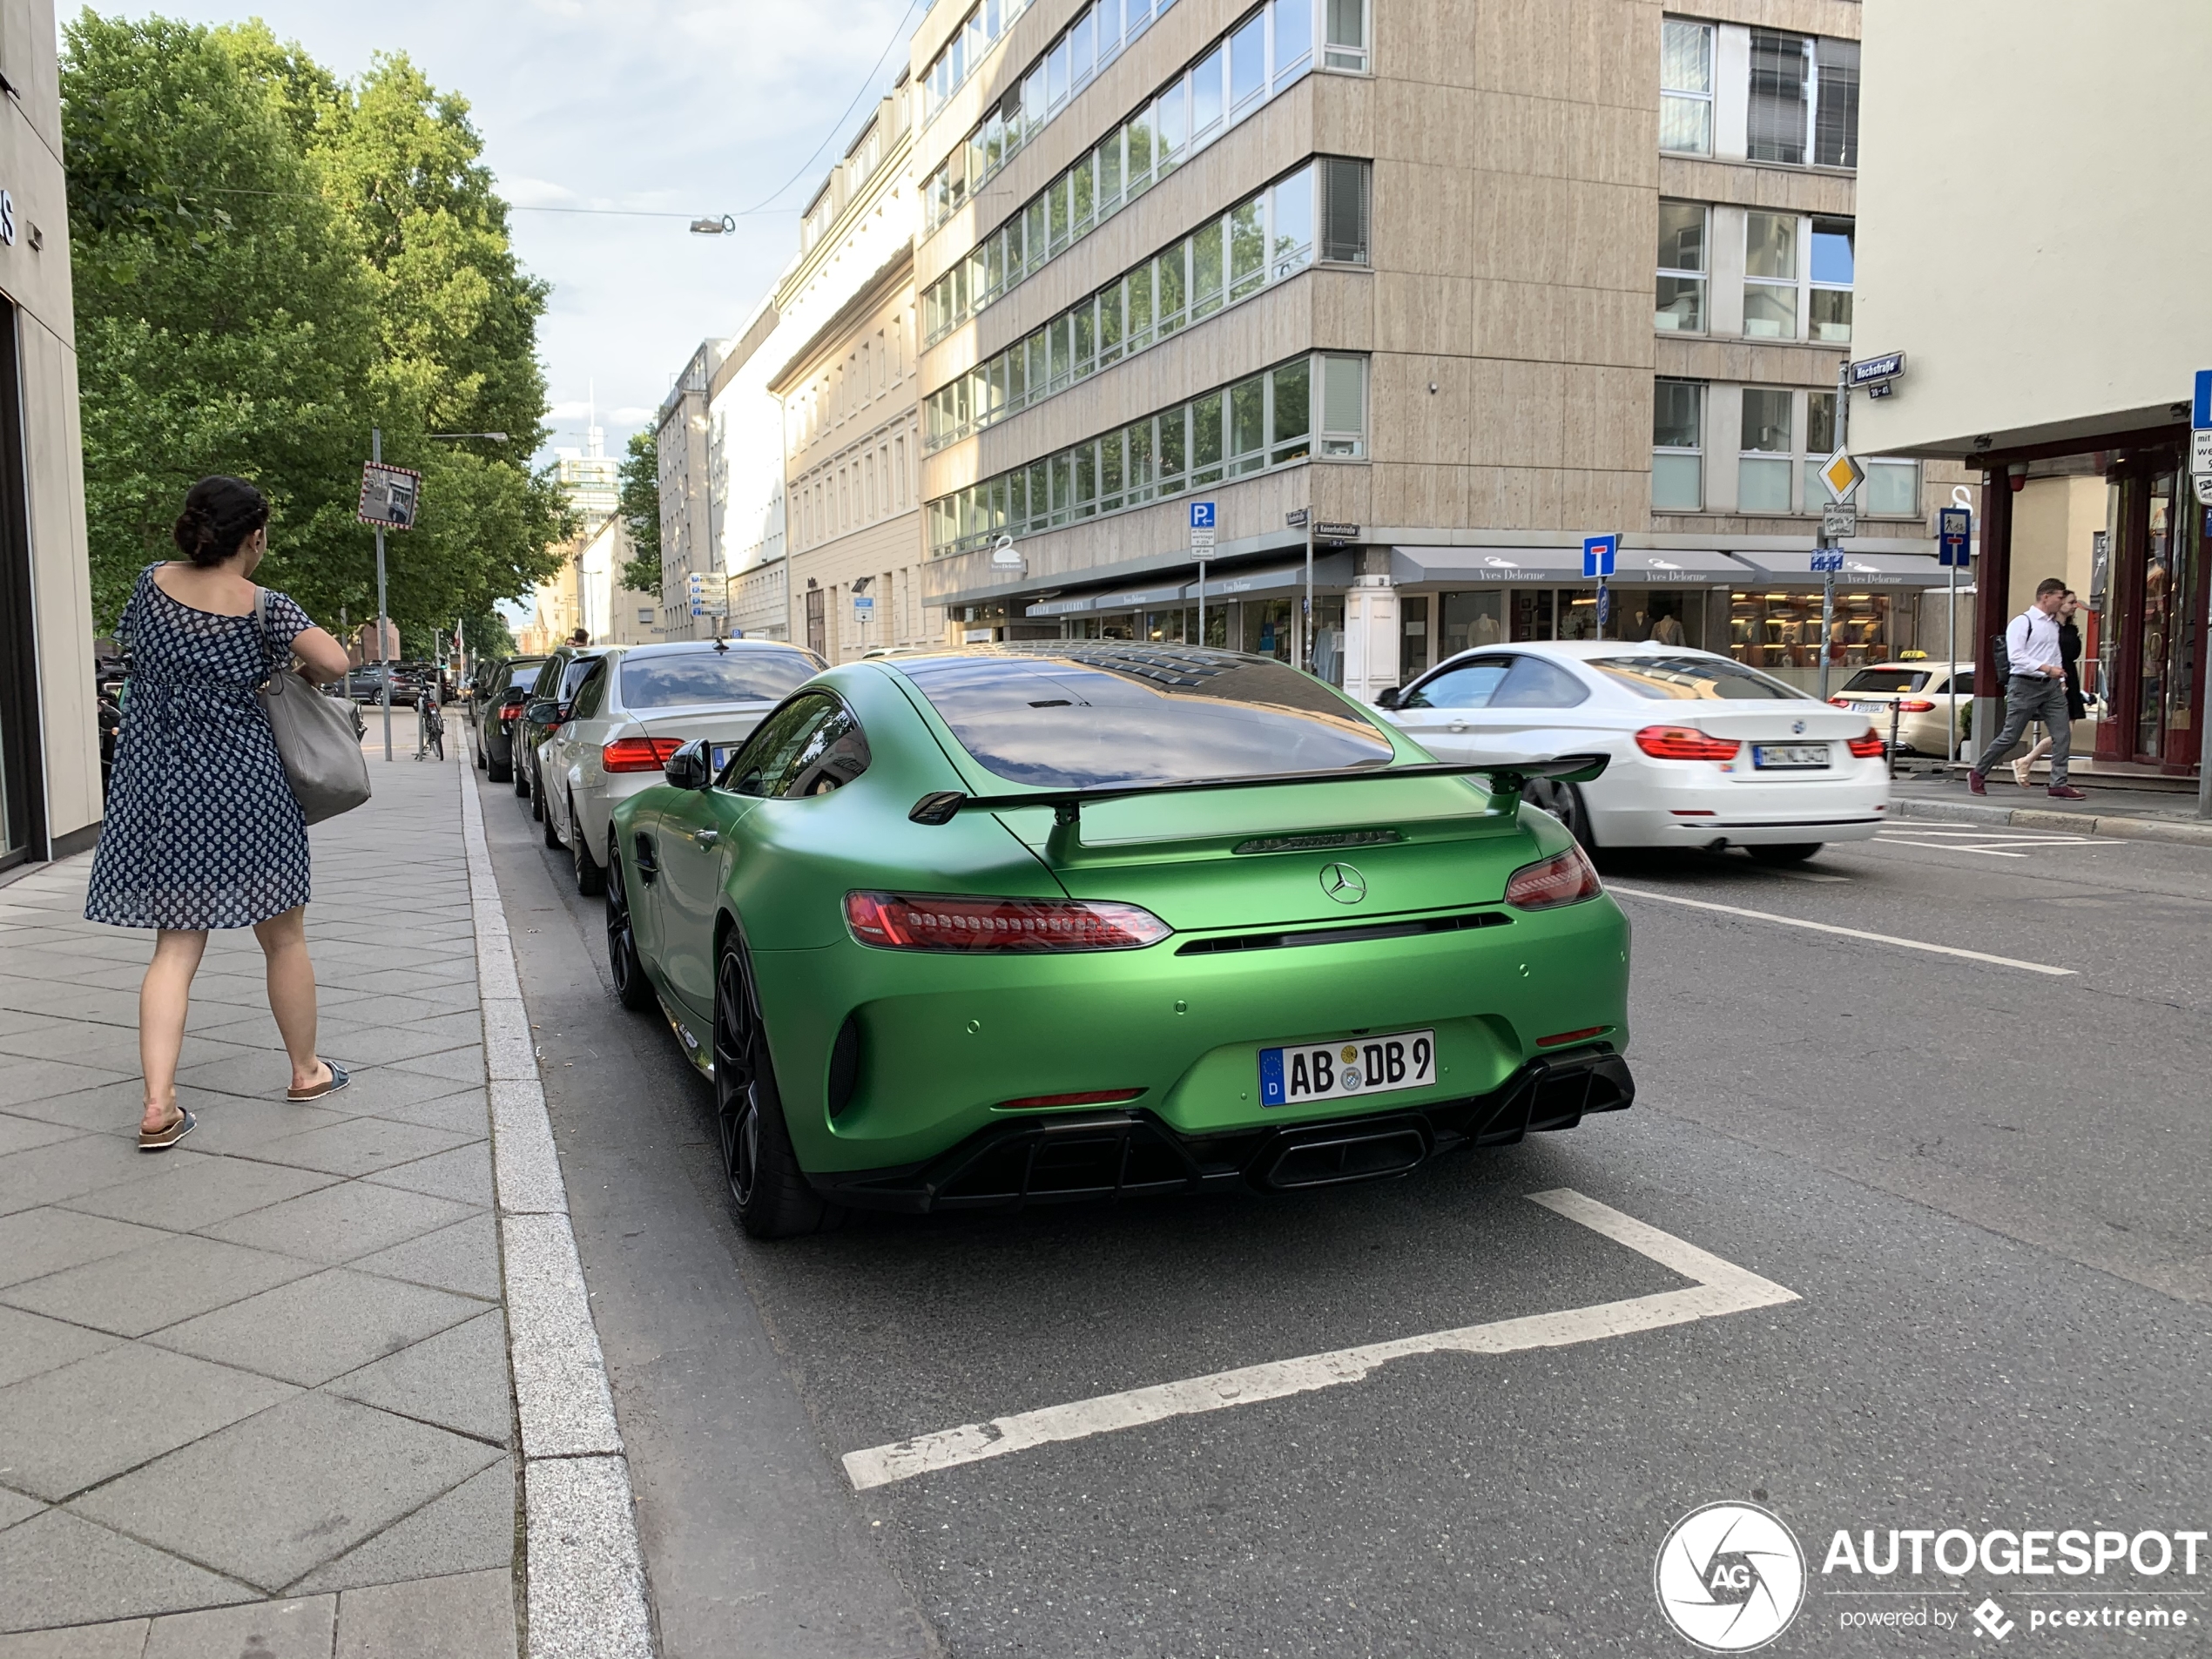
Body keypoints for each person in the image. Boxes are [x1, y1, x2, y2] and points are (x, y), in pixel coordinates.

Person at [84, 476, 355, 1150]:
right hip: (249, 793)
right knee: (284, 937)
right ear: (255, 537)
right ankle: (305, 1070)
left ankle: (157, 1105)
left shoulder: (152, 585)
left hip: (168, 794)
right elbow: (334, 660)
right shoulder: (265, 605)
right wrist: (295, 672)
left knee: (174, 949)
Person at [1970, 577, 2086, 800]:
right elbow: (2017, 656)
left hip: (2051, 686)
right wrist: (2047, 668)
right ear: (2046, 597)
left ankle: (2058, 784)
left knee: (2062, 734)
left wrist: (2058, 678)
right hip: (2024, 684)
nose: (2062, 602)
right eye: (2060, 597)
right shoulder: (2022, 622)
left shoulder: (2053, 625)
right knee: (2010, 736)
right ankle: (1978, 772)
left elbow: (2055, 654)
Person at [2012, 590, 2086, 786]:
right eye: (2069, 601)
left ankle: (2030, 763)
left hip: (2066, 675)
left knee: (2066, 729)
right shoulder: (2048, 626)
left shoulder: (2069, 628)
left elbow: (2071, 653)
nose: (2072, 606)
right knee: (2063, 730)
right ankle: (2027, 760)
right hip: (2050, 675)